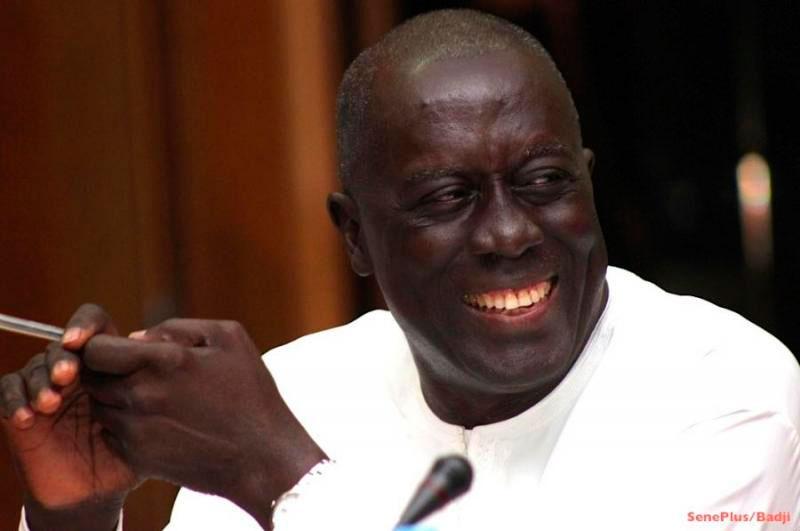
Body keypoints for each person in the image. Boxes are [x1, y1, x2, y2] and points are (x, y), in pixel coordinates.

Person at [2, 9, 799, 531]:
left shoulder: (729, 389)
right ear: (356, 235)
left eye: (545, 182)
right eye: (448, 197)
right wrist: (77, 514)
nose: (509, 233)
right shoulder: (298, 392)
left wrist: (278, 473)